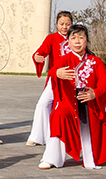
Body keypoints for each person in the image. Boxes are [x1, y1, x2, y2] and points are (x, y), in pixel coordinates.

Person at [39, 24, 106, 170]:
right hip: (70, 106)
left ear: (87, 41)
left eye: (81, 38)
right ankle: (51, 159)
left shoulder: (96, 61)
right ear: (68, 42)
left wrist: (95, 93)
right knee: (58, 117)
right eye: (73, 38)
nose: (77, 41)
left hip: (92, 106)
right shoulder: (64, 60)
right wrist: (57, 74)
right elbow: (52, 71)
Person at [26, 11, 73, 146]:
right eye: (62, 24)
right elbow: (40, 52)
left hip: (72, 80)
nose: (64, 27)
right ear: (56, 24)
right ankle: (37, 137)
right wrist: (37, 57)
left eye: (68, 24)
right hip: (56, 79)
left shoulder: (75, 38)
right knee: (42, 104)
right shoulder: (52, 38)